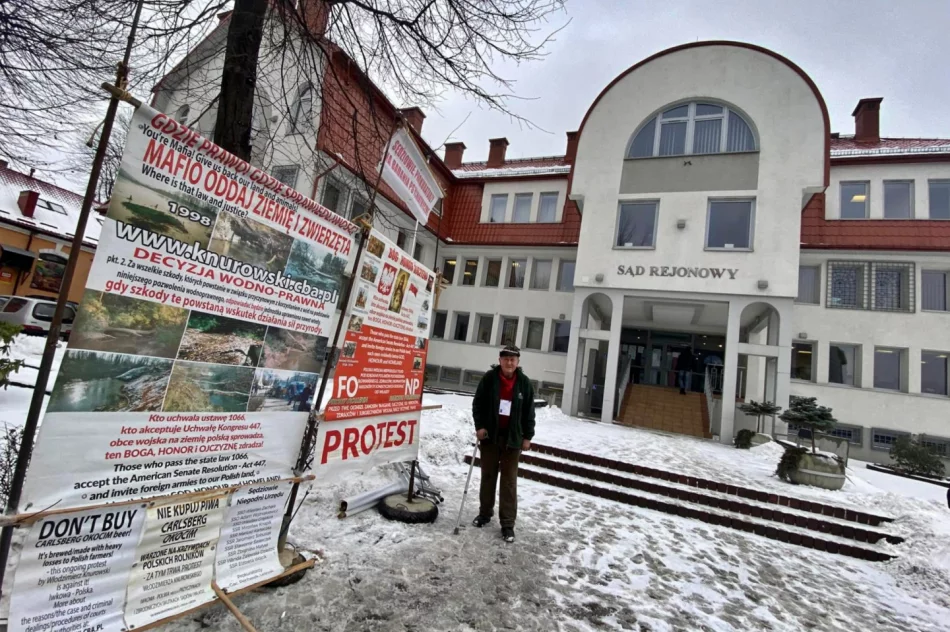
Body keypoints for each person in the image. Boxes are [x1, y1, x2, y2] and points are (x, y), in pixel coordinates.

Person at [471, 345, 536, 543]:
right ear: (499, 360)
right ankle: (485, 513)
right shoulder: (489, 379)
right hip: (490, 437)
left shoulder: (524, 383)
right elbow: (478, 404)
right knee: (488, 477)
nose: (509, 362)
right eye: (506, 359)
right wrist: (480, 426)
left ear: (518, 362)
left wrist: (528, 436)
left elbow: (529, 412)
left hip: (512, 440)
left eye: (512, 359)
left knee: (509, 482)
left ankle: (507, 524)